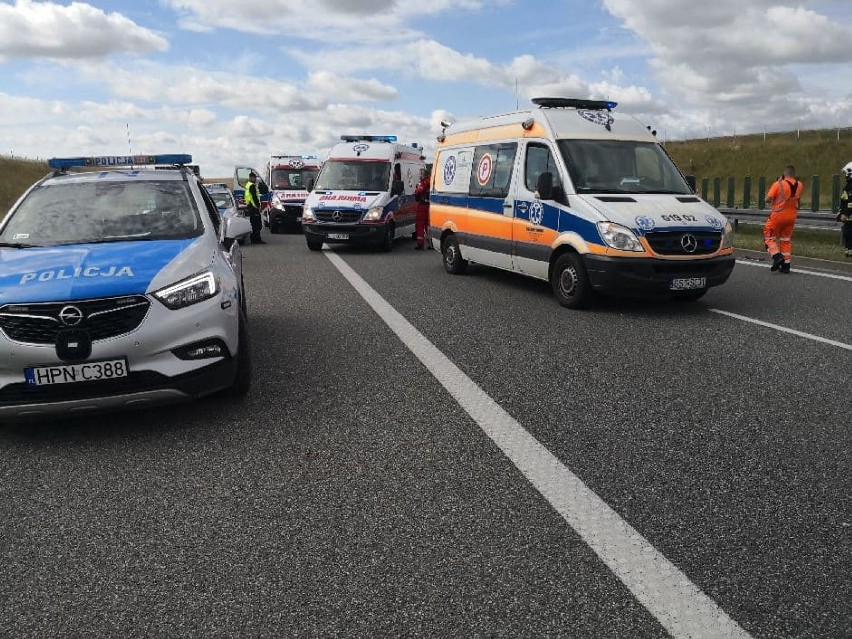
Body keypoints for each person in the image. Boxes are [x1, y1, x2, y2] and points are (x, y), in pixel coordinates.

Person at [763, 164, 803, 273]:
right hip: (792, 216)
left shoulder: (778, 184)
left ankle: (777, 257)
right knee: (785, 240)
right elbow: (798, 202)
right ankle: (786, 265)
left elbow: (767, 199)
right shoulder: (799, 185)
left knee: (768, 238)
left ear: (784, 174)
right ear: (793, 174)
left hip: (778, 214)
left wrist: (777, 183)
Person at [244, 170, 265, 244]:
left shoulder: (248, 185)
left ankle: (254, 239)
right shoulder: (252, 186)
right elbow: (254, 197)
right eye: (254, 178)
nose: (255, 179)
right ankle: (256, 239)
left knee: (254, 223)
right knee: (257, 224)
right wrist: (258, 206)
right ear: (251, 177)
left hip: (250, 206)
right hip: (254, 207)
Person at [836, 161, 852, 258]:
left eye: (846, 173)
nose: (845, 175)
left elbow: (850, 203)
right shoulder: (848, 186)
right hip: (848, 219)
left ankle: (849, 255)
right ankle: (848, 254)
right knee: (848, 236)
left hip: (850, 218)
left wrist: (845, 214)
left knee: (849, 236)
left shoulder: (850, 187)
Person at [414, 167, 430, 250]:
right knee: (428, 225)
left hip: (423, 206)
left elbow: (418, 192)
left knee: (420, 224)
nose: (419, 175)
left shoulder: (424, 182)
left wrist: (416, 190)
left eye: (420, 174)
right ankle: (431, 243)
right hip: (429, 206)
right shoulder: (431, 181)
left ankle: (420, 244)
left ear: (423, 174)